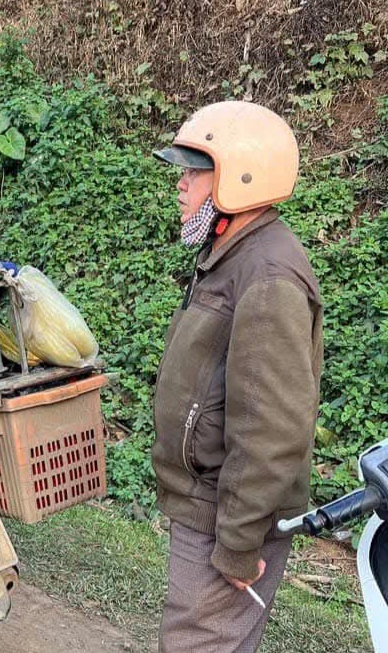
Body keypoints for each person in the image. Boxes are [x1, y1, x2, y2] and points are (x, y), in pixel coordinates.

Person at [151, 101, 324, 652]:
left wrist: (238, 542)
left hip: (226, 515)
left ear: (242, 177)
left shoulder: (266, 274)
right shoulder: (231, 255)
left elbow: (271, 428)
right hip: (209, 503)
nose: (181, 184)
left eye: (194, 171)